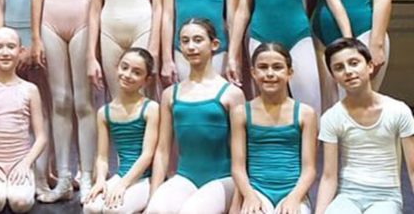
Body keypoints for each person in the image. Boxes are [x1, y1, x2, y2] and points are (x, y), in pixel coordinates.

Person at [30, 0, 106, 200]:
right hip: (51, 17)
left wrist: (94, 42)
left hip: (82, 15)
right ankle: (63, 178)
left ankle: (86, 176)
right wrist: (36, 36)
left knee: (83, 101)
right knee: (59, 100)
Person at [147, 19, 244, 214]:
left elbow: (241, 155)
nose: (191, 47)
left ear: (214, 44)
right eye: (185, 41)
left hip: (223, 179)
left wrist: (237, 203)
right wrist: (153, 196)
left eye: (198, 40)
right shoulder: (170, 95)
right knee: (157, 210)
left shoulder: (231, 94)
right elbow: (163, 151)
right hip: (186, 177)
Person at [316, 38, 414, 214]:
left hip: (386, 197)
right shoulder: (331, 117)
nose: (348, 71)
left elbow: (413, 170)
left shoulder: (398, 110)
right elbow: (329, 176)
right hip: (347, 196)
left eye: (354, 63)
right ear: (333, 76)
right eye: (339, 67)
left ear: (369, 66)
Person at [230, 42, 317, 214]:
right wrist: (249, 196)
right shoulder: (241, 113)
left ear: (290, 72)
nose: (270, 74)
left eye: (277, 67)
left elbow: (309, 169)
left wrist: (294, 198)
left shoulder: (305, 113)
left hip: (293, 192)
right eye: (263, 67)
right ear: (253, 72)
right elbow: (238, 167)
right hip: (256, 191)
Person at [0, 28, 48, 213]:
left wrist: (26, 163)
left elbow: (41, 137)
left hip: (19, 161)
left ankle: (21, 182)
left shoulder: (30, 90)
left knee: (20, 203)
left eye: (11, 47)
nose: (5, 52)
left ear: (20, 51)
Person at [83, 48, 159, 214]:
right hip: (121, 175)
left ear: (146, 80)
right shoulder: (104, 112)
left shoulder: (151, 108)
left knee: (113, 210)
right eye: (124, 67)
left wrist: (123, 184)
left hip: (144, 179)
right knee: (90, 207)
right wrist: (101, 181)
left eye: (136, 72)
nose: (127, 75)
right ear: (117, 68)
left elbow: (147, 155)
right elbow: (102, 157)